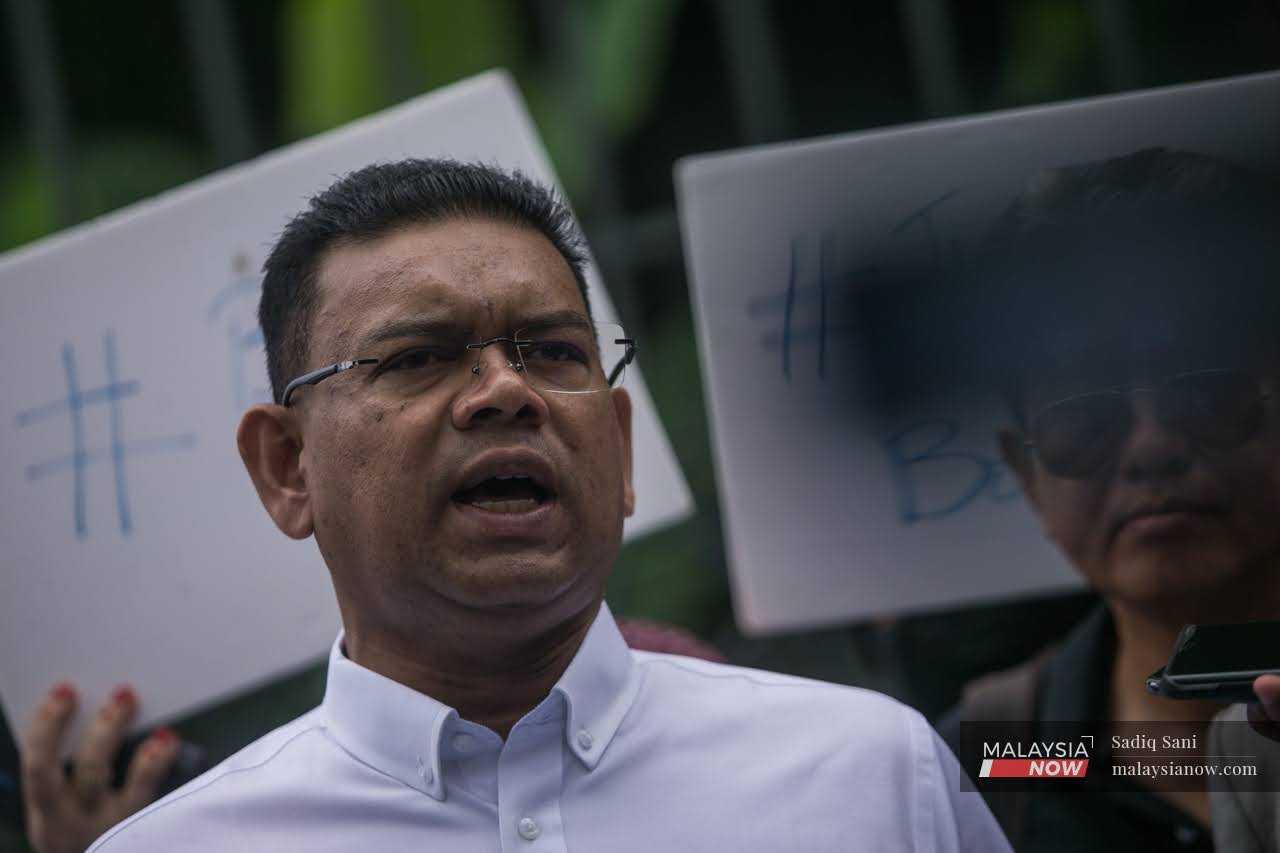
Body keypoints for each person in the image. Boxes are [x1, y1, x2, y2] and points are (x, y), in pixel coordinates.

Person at [75, 159, 1006, 851]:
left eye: (554, 351)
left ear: (621, 443)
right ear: (287, 467)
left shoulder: (875, 776)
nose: (502, 392)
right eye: (418, 357)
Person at [936, 148, 1280, 852]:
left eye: (1205, 395)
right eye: (1083, 424)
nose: (1152, 447)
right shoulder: (985, 766)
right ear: (1025, 473)